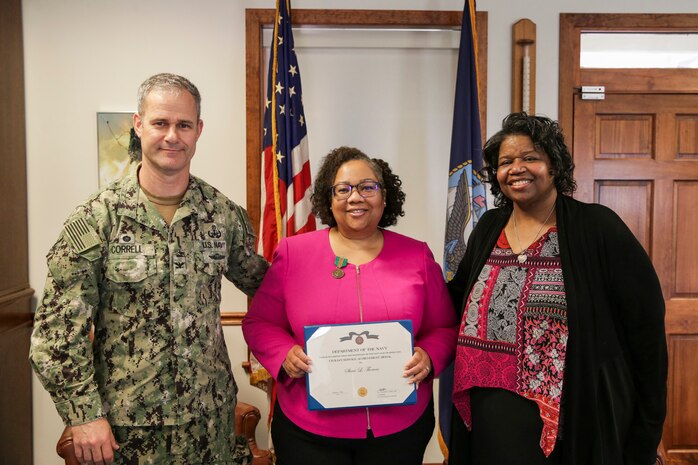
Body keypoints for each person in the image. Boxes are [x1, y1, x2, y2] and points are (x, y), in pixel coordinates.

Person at [30, 73, 269, 465]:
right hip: (126, 429)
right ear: (139, 125)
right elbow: (56, 333)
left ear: (198, 131)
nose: (172, 135)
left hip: (209, 425)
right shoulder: (97, 219)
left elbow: (268, 287)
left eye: (184, 125)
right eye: (160, 122)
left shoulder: (222, 215)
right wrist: (84, 416)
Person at [446, 112, 667, 465]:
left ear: (554, 166)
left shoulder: (597, 227)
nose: (516, 168)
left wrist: (647, 430)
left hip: (572, 418)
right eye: (506, 162)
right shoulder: (489, 226)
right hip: (489, 415)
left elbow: (646, 332)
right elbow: (455, 298)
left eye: (530, 158)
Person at [242, 146, 458, 465]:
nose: (355, 197)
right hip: (309, 428)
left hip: (399, 427)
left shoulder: (417, 256)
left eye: (367, 187)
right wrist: (283, 353)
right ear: (329, 200)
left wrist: (429, 356)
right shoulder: (294, 254)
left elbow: (445, 327)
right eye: (343, 189)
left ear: (385, 197)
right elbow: (259, 323)